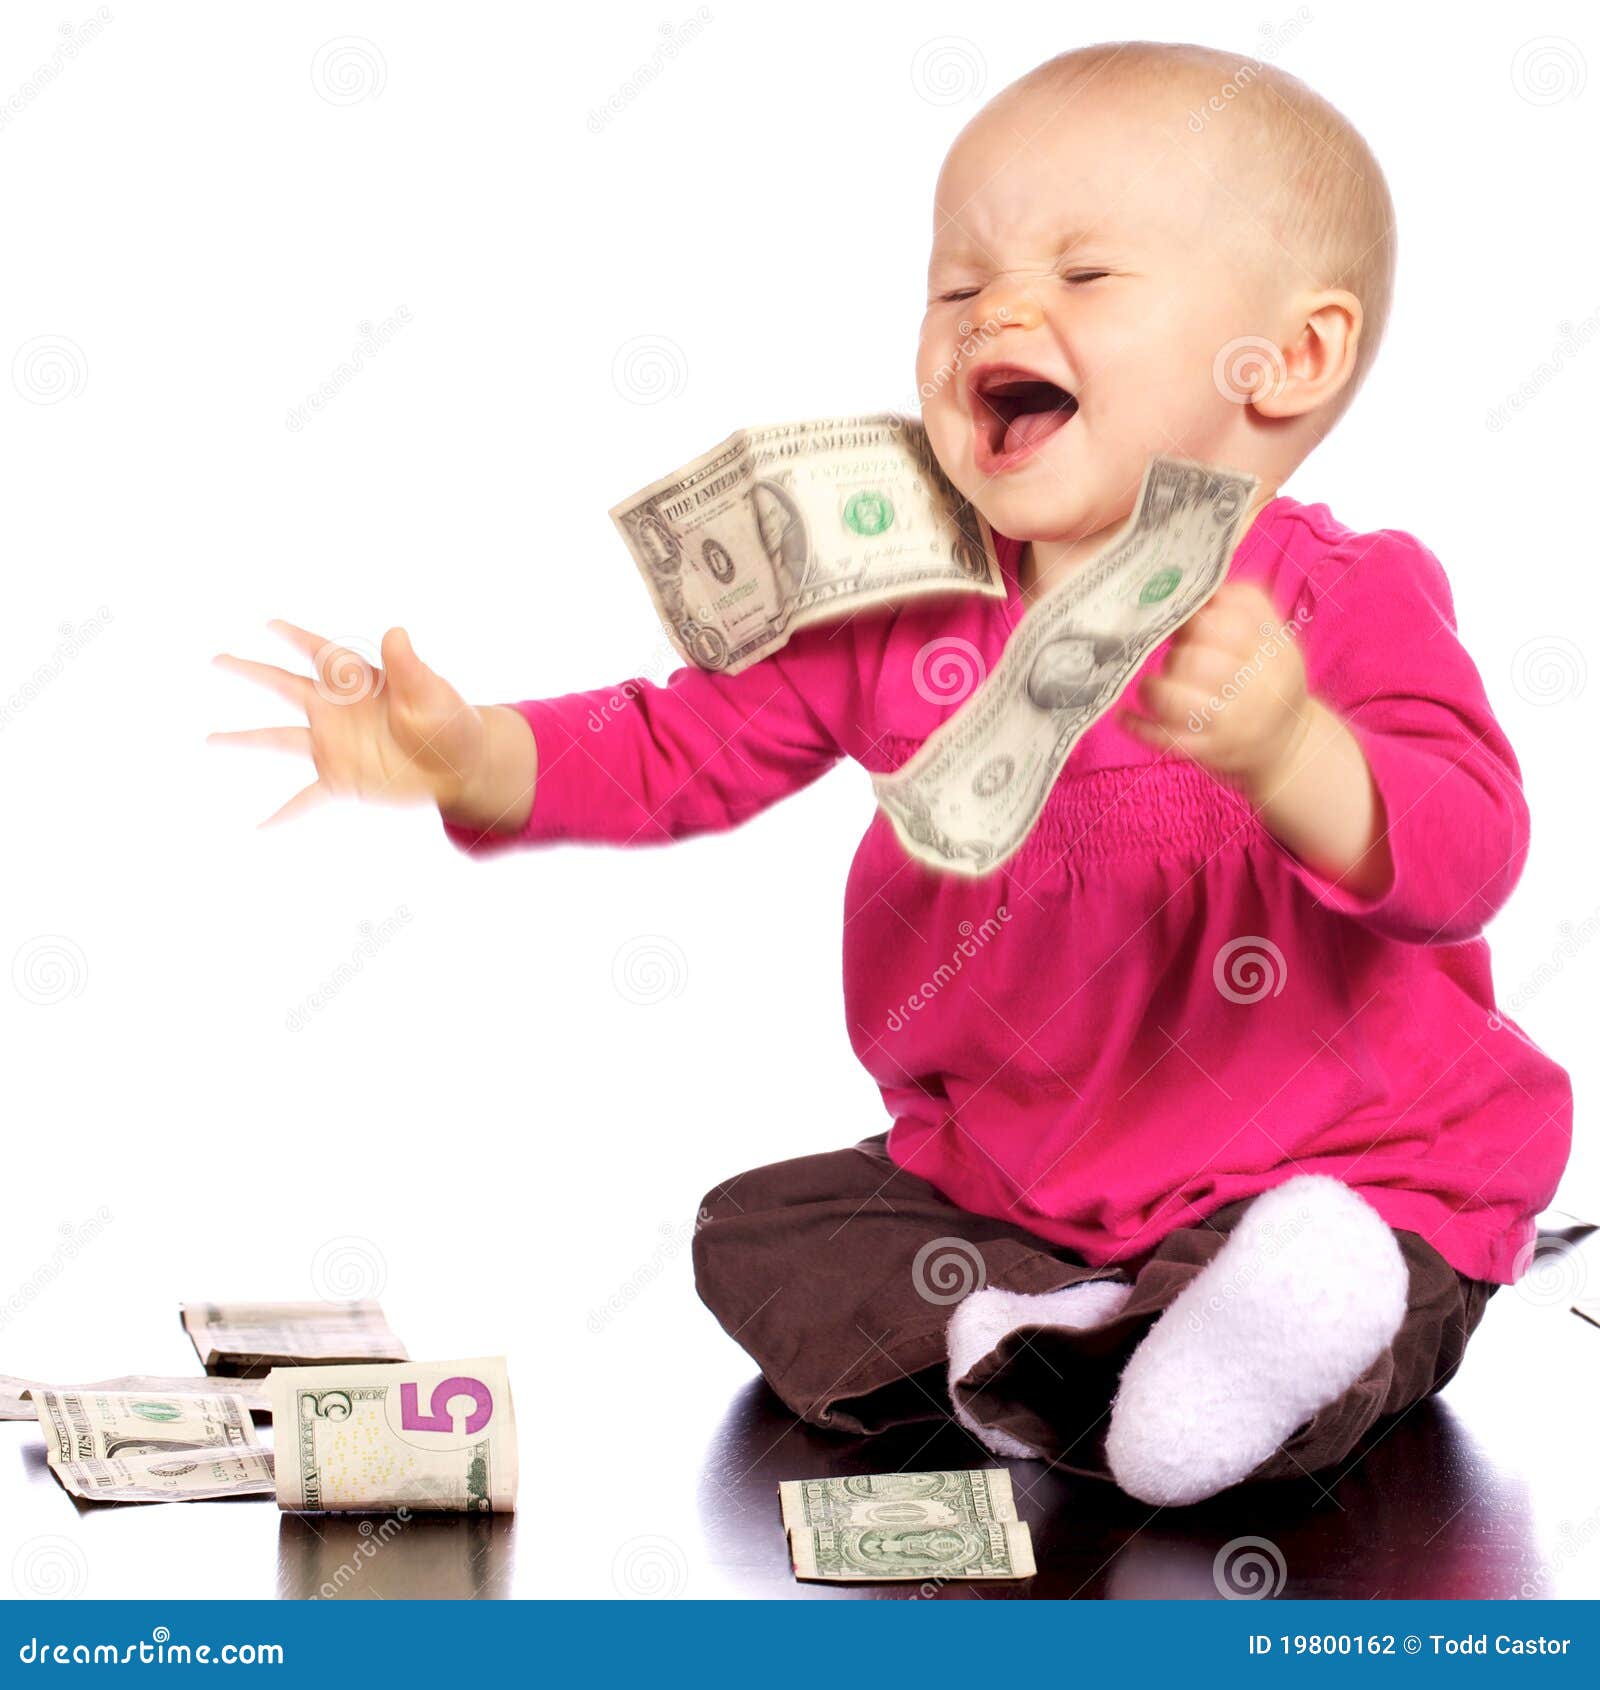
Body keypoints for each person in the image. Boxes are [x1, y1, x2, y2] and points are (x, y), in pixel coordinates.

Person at [211, 40, 1572, 1506]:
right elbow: (684, 744)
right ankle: (1072, 1349)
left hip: (1346, 1168)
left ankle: (1212, 1346)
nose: (999, 307)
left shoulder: (1330, 602)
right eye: (958, 283)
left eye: (1085, 274)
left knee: (1349, 1278)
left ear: (1288, 360)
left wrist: (1303, 754)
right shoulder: (902, 601)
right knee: (762, 1231)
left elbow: (1470, 852)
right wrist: (475, 753)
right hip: (1014, 1193)